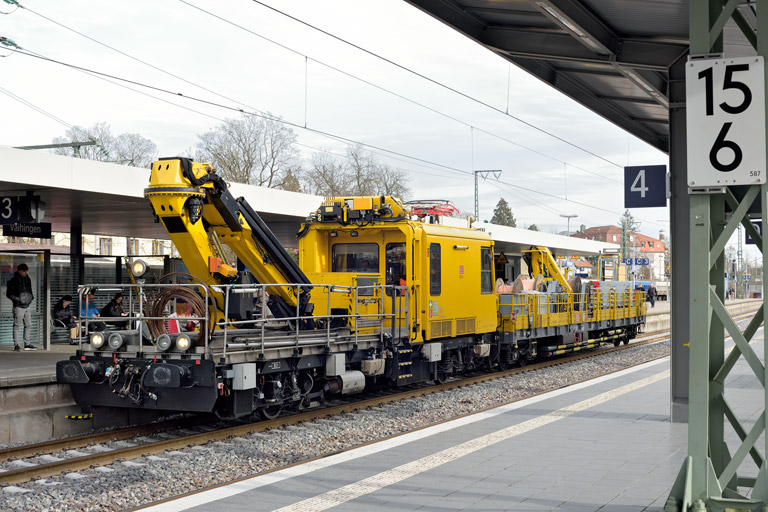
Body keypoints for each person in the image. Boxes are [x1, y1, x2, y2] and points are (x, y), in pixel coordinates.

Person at [5, 263, 36, 351]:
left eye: (26, 271)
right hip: (18, 306)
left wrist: (31, 298)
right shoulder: (13, 280)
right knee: (17, 326)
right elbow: (9, 294)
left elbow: (30, 290)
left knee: (28, 325)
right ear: (19, 271)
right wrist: (19, 300)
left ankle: (27, 343)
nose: (25, 273)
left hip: (27, 305)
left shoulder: (27, 279)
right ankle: (17, 344)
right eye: (24, 271)